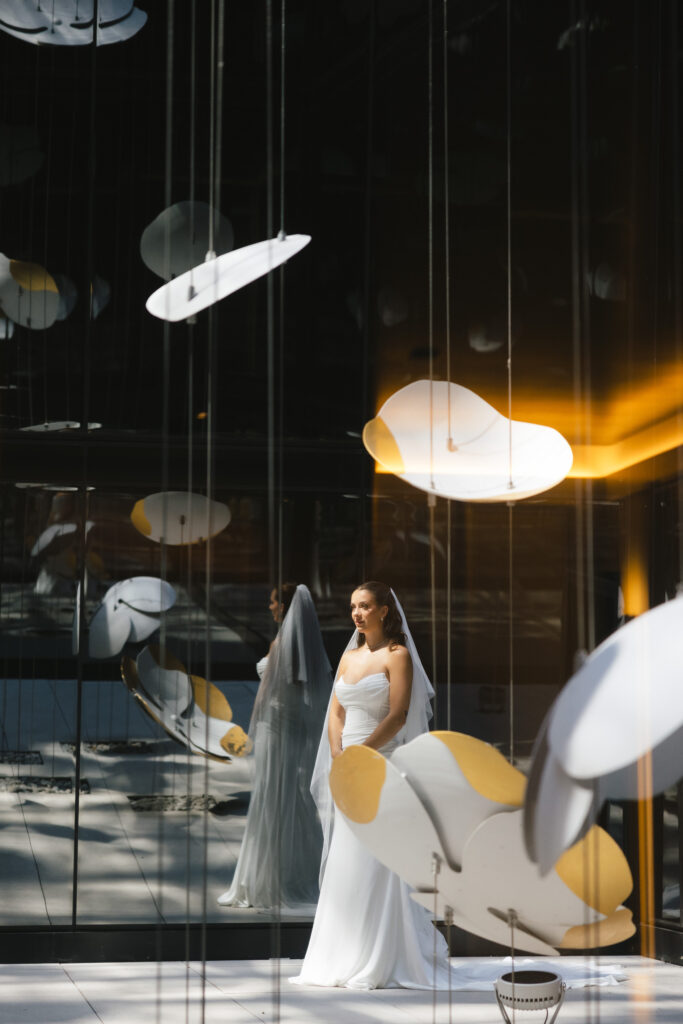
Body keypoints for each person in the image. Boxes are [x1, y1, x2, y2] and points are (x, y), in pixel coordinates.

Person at [290, 580, 452, 990]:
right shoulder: (348, 657)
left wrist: (363, 752)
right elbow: (335, 712)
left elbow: (398, 715)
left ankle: (383, 956)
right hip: (351, 764)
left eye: (364, 606)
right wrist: (339, 753)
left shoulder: (398, 656)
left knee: (378, 861)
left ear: (383, 610)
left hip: (384, 763)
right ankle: (341, 953)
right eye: (352, 608)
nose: (357, 614)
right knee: (348, 858)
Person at [217, 583, 331, 908]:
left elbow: (280, 691)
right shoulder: (298, 645)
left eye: (272, 602)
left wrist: (264, 719)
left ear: (285, 605)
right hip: (283, 727)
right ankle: (282, 873)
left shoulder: (286, 645)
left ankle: (267, 880)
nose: (270, 608)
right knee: (280, 800)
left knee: (272, 799)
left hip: (277, 728)